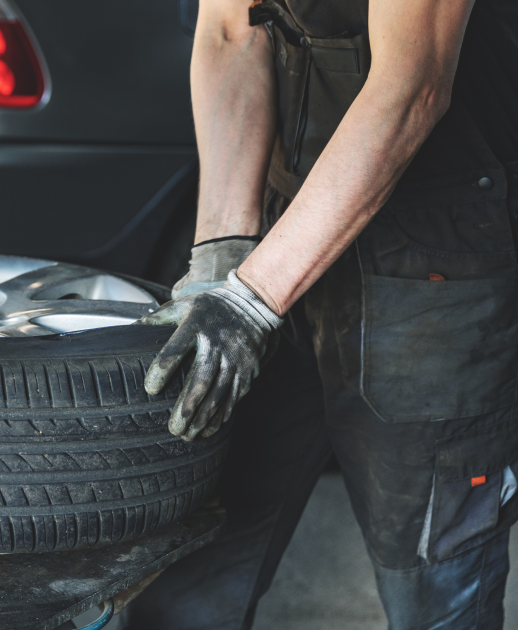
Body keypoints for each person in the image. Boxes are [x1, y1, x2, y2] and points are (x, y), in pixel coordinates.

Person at [125, 0, 518, 626]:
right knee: (189, 565)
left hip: (433, 262)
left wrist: (254, 298)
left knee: (435, 591)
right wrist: (222, 258)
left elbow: (411, 86)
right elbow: (231, 31)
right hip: (284, 228)